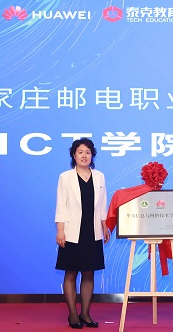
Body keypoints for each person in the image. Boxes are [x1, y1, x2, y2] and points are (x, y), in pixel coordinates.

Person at [55, 138, 110, 329]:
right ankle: (72, 314)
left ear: (92, 155)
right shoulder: (65, 177)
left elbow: (102, 204)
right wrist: (60, 230)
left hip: (92, 231)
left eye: (88, 152)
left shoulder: (99, 176)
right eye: (80, 152)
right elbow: (61, 205)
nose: (84, 155)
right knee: (71, 273)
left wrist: (104, 224)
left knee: (89, 274)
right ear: (74, 155)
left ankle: (85, 314)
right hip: (71, 232)